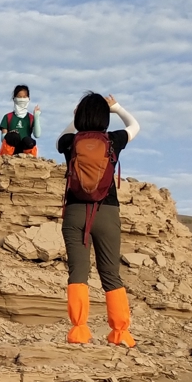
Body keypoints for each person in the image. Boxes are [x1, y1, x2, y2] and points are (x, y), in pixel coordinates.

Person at [56, 92, 140, 348]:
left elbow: (60, 138)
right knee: (110, 274)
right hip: (107, 211)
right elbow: (135, 126)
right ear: (105, 117)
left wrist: (75, 119)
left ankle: (79, 331)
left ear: (80, 115)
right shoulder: (113, 140)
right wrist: (116, 108)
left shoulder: (70, 142)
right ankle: (120, 333)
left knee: (78, 273)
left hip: (74, 212)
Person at [0, 85, 42, 155]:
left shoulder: (31, 118)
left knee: (28, 140)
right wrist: (10, 135)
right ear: (14, 99)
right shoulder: (8, 117)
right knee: (13, 136)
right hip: (10, 150)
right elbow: (3, 139)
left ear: (28, 99)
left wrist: (36, 117)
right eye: (19, 97)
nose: (22, 99)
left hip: (25, 150)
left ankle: (28, 159)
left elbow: (37, 135)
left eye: (24, 97)